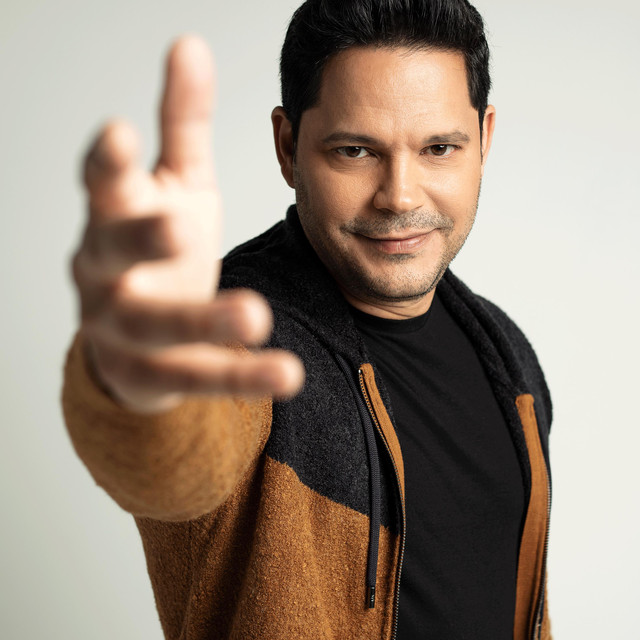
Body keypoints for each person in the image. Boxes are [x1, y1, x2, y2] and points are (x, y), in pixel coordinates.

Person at [62, 0, 553, 638]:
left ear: (483, 139)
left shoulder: (507, 355)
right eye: (355, 150)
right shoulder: (238, 335)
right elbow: (180, 455)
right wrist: (141, 386)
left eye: (439, 147)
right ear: (288, 146)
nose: (400, 195)